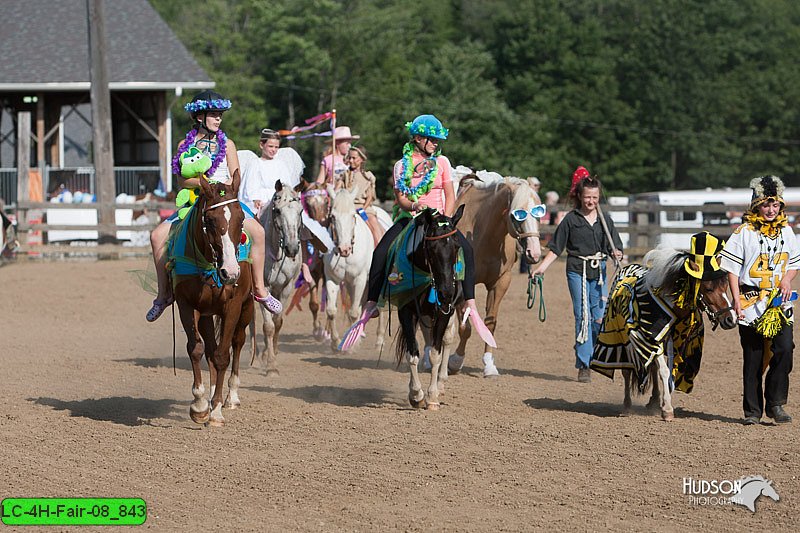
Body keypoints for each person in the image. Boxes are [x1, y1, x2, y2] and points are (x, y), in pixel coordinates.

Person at [340, 114, 492, 350]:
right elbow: (401, 199)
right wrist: (414, 206)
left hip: (440, 219)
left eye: (437, 140)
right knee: (382, 251)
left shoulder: (442, 162)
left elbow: (450, 195)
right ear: (419, 138)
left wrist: (447, 220)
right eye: (432, 139)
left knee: (467, 250)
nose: (435, 143)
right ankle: (371, 303)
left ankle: (470, 304)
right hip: (411, 217)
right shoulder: (402, 165)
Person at [145, 90, 281, 322]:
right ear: (200, 117)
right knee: (157, 236)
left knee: (258, 232)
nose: (219, 119)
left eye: (220, 115)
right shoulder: (184, 144)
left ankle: (259, 289)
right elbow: (182, 180)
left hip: (225, 199)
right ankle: (164, 295)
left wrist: (217, 190)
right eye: (214, 114)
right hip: (194, 201)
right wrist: (204, 186)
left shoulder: (227, 144)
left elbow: (234, 175)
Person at [720, 175, 799, 425]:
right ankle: (752, 411)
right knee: (753, 356)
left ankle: (776, 404)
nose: (771, 210)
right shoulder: (744, 232)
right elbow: (732, 269)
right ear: (756, 205)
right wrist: (736, 300)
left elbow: (794, 263)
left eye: (775, 205)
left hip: (779, 302)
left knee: (785, 349)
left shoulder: (787, 231)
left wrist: (787, 280)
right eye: (766, 205)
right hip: (750, 302)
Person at [532, 166, 623, 382]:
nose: (591, 201)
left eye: (594, 197)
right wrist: (541, 268)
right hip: (577, 271)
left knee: (599, 319)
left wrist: (616, 253)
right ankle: (584, 363)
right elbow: (556, 248)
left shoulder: (605, 219)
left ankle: (588, 349)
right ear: (580, 197)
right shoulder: (571, 220)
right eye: (587, 197)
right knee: (582, 316)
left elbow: (615, 246)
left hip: (598, 270)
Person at [239, 128, 295, 216]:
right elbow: (250, 187)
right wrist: (255, 199)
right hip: (260, 204)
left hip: (279, 203)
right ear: (262, 145)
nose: (273, 150)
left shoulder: (281, 165)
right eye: (270, 146)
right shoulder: (255, 163)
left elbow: (286, 185)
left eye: (276, 147)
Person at [338, 145, 382, 245]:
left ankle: (379, 248)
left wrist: (363, 208)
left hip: (363, 207)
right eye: (349, 157)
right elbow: (338, 189)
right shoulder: (344, 175)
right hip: (347, 207)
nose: (351, 160)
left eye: (354, 158)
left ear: (362, 159)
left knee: (372, 222)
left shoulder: (367, 176)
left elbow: (370, 197)